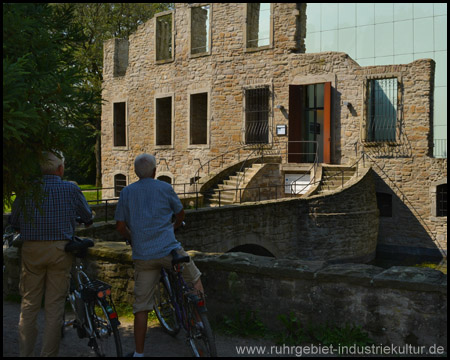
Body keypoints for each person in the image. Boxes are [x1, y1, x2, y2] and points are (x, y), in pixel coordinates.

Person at [115, 153, 204, 358]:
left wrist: (132, 237)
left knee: (141, 307)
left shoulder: (126, 193)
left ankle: (139, 353)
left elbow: (120, 226)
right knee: (195, 278)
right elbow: (180, 212)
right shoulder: (164, 187)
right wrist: (174, 226)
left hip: (144, 256)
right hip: (168, 250)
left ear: (136, 172)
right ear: (155, 171)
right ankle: (199, 321)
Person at [9, 151, 92, 357]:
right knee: (54, 307)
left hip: (32, 250)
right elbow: (87, 216)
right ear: (60, 169)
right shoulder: (70, 188)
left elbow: (14, 222)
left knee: (29, 305)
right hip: (60, 250)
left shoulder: (27, 190)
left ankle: (25, 353)